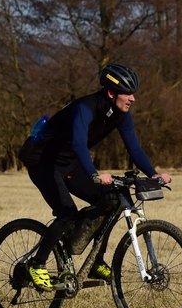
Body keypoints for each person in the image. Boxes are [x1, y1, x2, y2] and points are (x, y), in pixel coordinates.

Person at [17, 63, 171, 290]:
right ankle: (36, 264)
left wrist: (154, 174)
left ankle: (94, 260)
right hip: (42, 161)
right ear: (111, 93)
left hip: (68, 163)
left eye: (133, 94)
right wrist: (93, 174)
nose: (132, 99)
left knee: (110, 199)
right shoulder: (85, 107)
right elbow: (79, 143)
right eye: (127, 94)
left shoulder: (121, 115)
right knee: (66, 213)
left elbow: (134, 148)